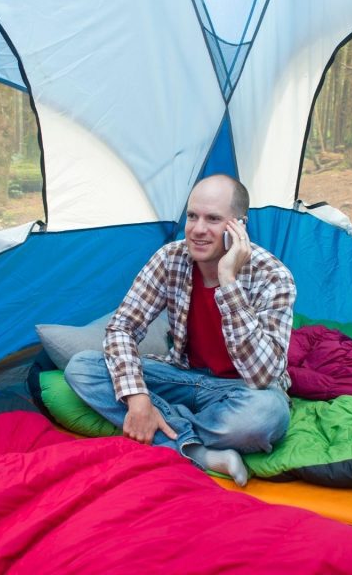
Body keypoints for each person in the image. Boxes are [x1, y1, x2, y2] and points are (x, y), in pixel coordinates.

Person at [64, 174, 295, 486]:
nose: (198, 229)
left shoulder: (274, 276)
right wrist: (137, 397)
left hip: (244, 391)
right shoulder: (170, 258)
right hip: (183, 376)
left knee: (266, 416)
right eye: (191, 216)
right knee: (82, 368)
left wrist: (228, 280)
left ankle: (167, 427)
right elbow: (121, 328)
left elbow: (262, 376)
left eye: (213, 219)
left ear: (239, 226)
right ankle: (198, 450)